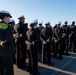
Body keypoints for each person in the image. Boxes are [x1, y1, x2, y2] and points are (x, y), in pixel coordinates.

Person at [0, 10, 15, 75]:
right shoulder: (7, 26)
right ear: (5, 17)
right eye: (9, 17)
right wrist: (3, 43)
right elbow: (8, 40)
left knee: (2, 68)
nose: (9, 19)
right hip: (8, 52)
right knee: (8, 70)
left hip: (1, 51)